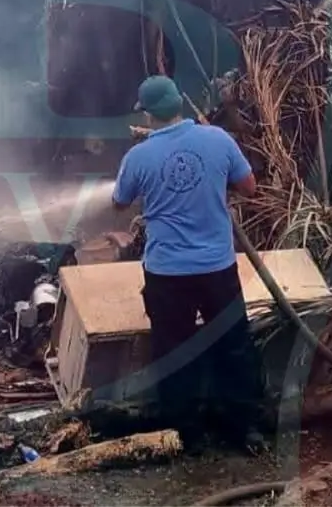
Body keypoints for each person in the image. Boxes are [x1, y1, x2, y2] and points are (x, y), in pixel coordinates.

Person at [112, 74, 267, 448]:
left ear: (147, 114)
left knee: (173, 349)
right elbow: (249, 187)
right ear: (179, 103)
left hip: (168, 273)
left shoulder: (138, 156)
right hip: (217, 267)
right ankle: (245, 429)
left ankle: (187, 434)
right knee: (233, 344)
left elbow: (119, 203)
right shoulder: (217, 139)